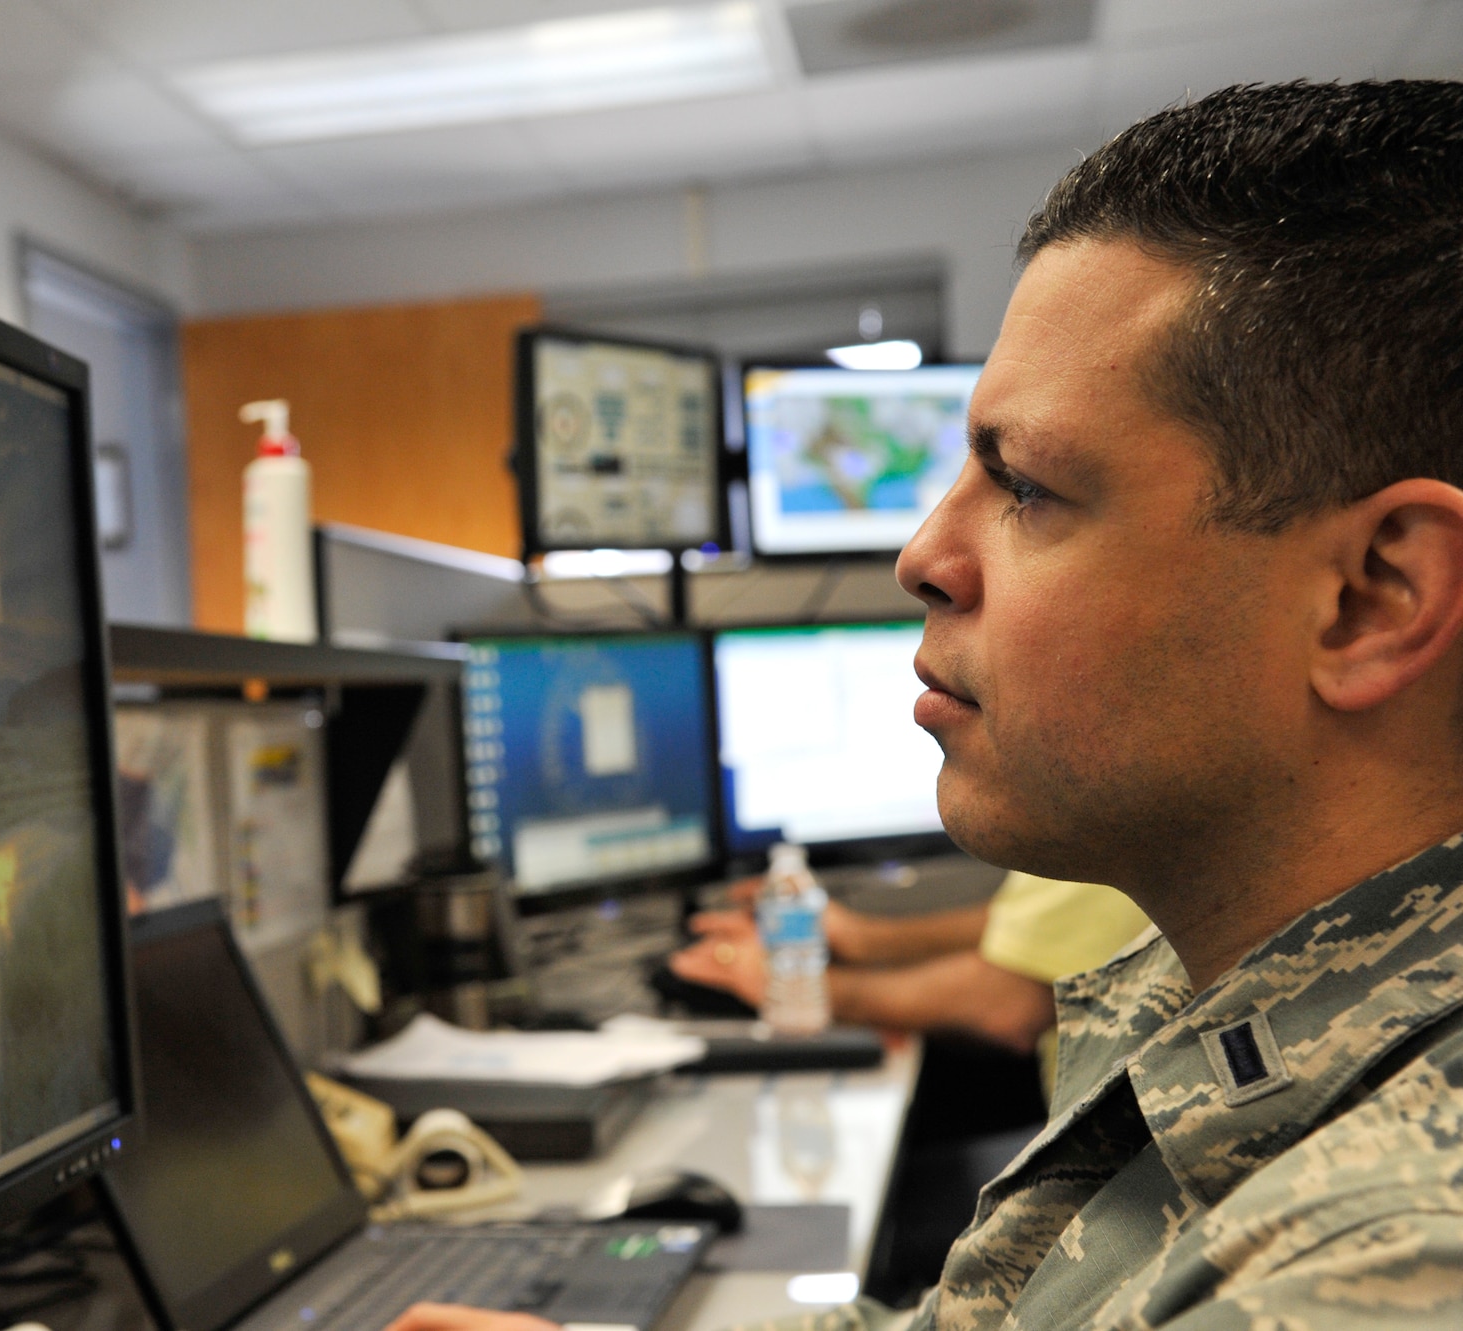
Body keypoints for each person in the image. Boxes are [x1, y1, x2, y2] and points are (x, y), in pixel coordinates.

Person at [388, 79, 1463, 1331]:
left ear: (1372, 596)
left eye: (1027, 484)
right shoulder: (1224, 1005)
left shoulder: (1381, 1263)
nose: (920, 554)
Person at [670, 873, 1151, 1066]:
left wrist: (791, 984)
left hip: (1108, 1165)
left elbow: (1007, 1007)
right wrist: (860, 938)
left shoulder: (1123, 809)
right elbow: (1026, 925)